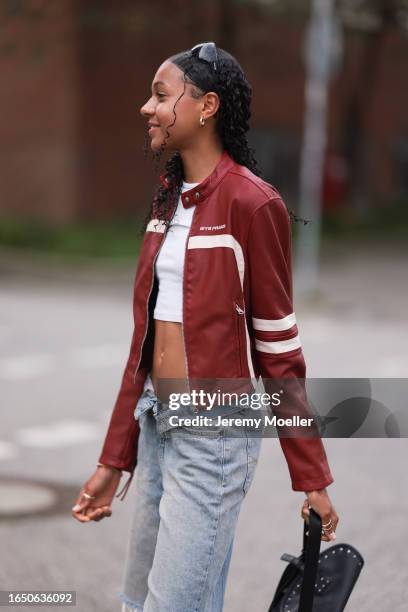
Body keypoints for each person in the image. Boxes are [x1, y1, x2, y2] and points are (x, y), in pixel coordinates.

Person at [71, 42, 339, 611]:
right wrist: (111, 459)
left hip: (214, 435)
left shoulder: (253, 204)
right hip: (157, 421)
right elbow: (141, 345)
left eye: (161, 96)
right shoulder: (168, 201)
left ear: (207, 106)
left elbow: (279, 349)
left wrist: (311, 477)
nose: (147, 108)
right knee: (137, 602)